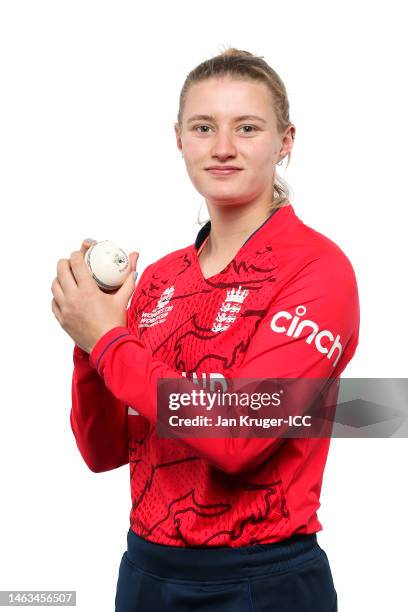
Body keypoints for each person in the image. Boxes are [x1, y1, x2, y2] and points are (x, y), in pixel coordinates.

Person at [51, 47, 359, 611]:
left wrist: (107, 340)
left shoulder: (317, 271)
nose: (222, 148)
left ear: (285, 140)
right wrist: (87, 344)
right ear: (179, 139)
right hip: (146, 570)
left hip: (263, 579)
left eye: (247, 127)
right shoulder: (163, 278)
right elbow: (103, 450)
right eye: (203, 127)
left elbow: (238, 438)